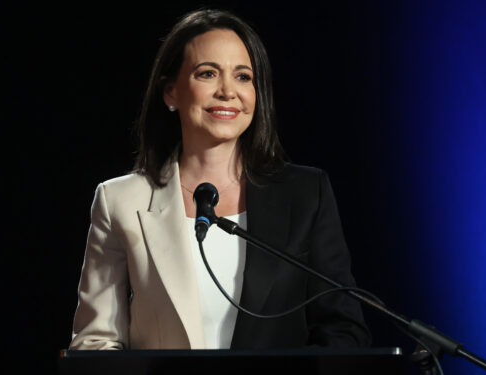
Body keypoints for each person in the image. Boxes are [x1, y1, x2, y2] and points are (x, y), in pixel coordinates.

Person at [69, 9, 371, 350]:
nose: (228, 91)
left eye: (243, 77)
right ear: (171, 92)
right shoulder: (120, 200)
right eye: (208, 73)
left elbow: (343, 331)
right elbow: (96, 340)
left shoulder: (305, 194)